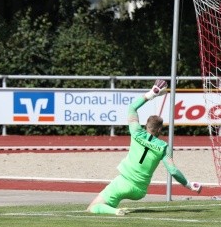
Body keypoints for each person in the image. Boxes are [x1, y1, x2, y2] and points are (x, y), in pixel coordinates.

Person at [87, 79, 202, 216]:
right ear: (160, 129)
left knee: (93, 207)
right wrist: (189, 185)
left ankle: (116, 211)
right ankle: (113, 209)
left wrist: (151, 94)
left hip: (124, 182)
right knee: (109, 203)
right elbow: (173, 171)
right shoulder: (164, 147)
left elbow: (132, 108)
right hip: (140, 191)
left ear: (146, 125)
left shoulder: (136, 132)